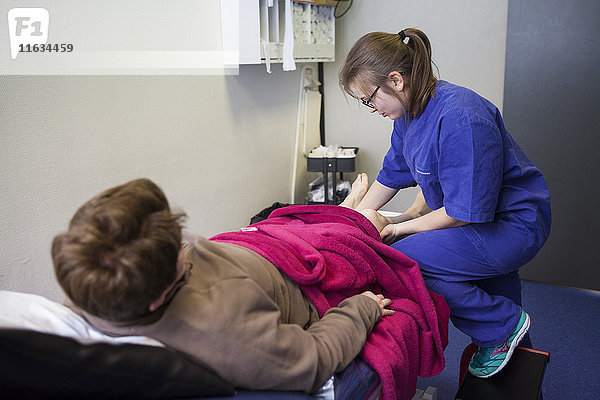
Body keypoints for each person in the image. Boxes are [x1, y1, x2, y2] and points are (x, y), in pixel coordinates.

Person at [51, 178, 401, 394]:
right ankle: (363, 213)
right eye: (177, 246)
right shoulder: (224, 333)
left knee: (295, 216)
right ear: (158, 297)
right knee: (366, 225)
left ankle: (346, 207)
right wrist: (362, 309)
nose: (183, 238)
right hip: (295, 270)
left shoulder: (91, 283)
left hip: (248, 244)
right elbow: (315, 358)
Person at [339, 28, 551, 378]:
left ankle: (503, 327)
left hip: (512, 226)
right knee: (506, 328)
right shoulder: (408, 115)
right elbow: (391, 175)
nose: (371, 108)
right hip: (479, 222)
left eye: (369, 99)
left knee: (407, 261)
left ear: (396, 80)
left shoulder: (461, 116)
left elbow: (459, 213)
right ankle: (514, 354)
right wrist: (350, 219)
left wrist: (394, 229)